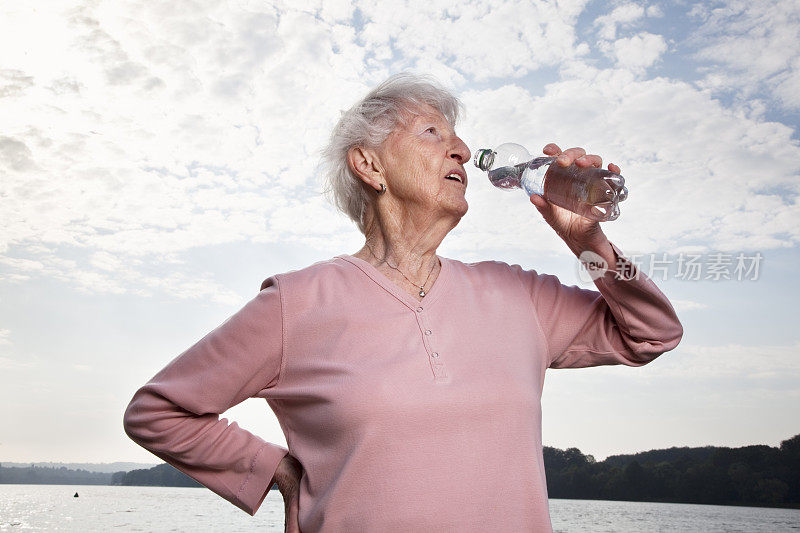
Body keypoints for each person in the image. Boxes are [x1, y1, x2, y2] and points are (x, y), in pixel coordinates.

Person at [123, 73, 683, 532]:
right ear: (369, 165)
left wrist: (586, 241)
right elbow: (158, 413)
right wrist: (277, 471)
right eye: (432, 132)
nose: (461, 149)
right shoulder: (295, 304)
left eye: (458, 137)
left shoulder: (519, 295)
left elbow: (650, 334)